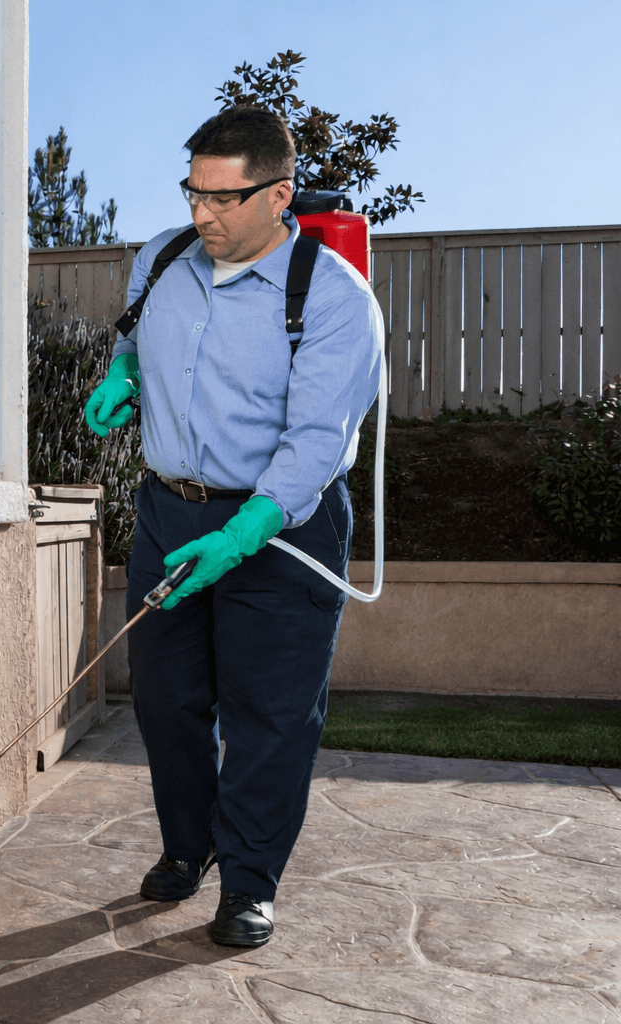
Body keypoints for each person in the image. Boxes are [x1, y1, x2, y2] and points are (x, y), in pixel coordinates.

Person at [84, 107, 382, 947]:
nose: (200, 214)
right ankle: (189, 847)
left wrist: (242, 534)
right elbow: (139, 343)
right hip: (169, 511)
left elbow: (317, 441)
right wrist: (124, 378)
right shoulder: (163, 258)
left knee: (270, 715)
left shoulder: (332, 296)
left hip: (282, 531)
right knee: (169, 701)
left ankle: (249, 882)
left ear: (279, 194)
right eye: (192, 193)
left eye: (223, 198)